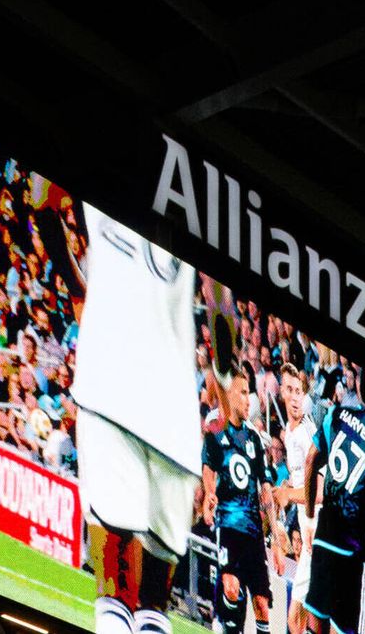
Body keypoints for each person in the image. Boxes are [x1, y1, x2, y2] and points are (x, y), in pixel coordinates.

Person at [71, 204, 201, 634]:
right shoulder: (202, 195)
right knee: (153, 608)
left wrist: (78, 288)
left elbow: (40, 199)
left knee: (115, 592)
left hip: (112, 385)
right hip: (177, 419)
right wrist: (220, 388)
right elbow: (221, 311)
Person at [301, 364, 365, 634]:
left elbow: (311, 461)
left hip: (324, 538)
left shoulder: (335, 415)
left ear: (358, 389)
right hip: (351, 556)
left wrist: (310, 518)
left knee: (315, 625)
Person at [203, 359, 276, 634]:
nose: (249, 400)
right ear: (231, 394)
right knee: (231, 587)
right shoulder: (216, 432)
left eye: (250, 393)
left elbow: (266, 492)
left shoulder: (255, 440)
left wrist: (278, 544)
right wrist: (210, 494)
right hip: (229, 525)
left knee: (261, 603)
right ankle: (226, 625)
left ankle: (225, 625)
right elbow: (208, 468)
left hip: (254, 532)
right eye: (243, 393)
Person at [272, 364, 320, 634]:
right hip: (307, 536)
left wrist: (288, 495)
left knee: (305, 618)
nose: (294, 397)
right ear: (281, 392)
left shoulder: (306, 433)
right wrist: (289, 484)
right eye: (289, 390)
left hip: (319, 533)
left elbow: (321, 490)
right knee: (295, 620)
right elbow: (304, 479)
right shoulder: (290, 433)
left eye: (299, 391)